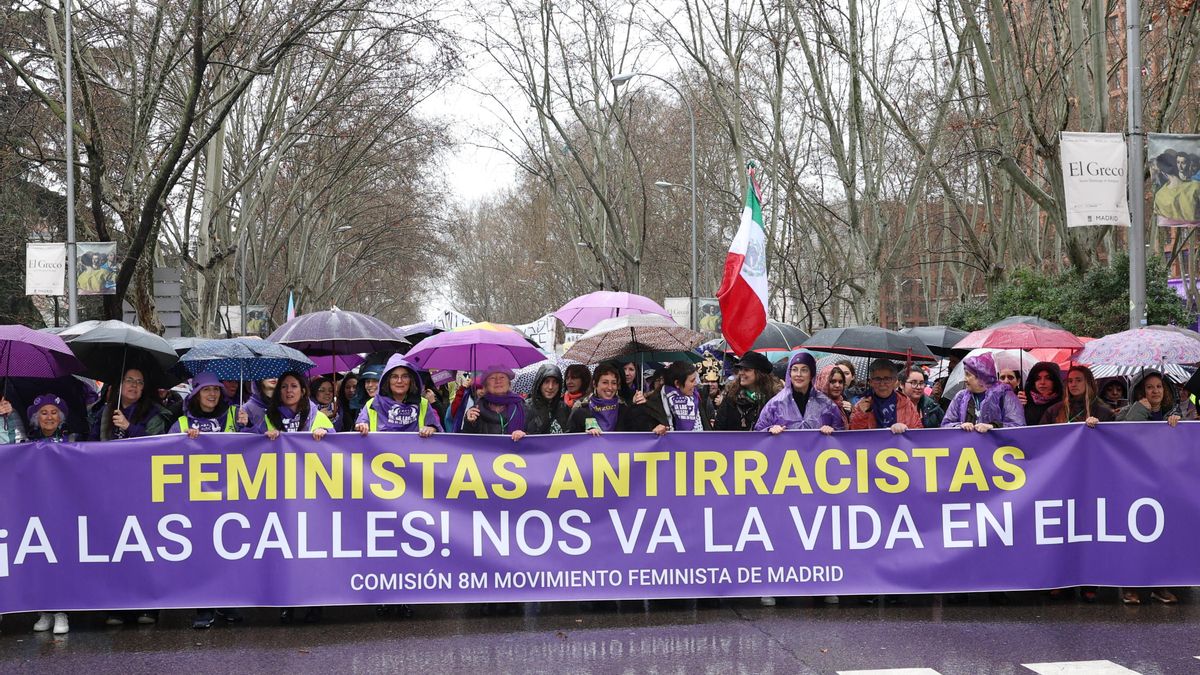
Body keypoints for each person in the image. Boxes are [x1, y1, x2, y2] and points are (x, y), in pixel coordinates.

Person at [1116, 371, 1191, 605]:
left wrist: (1178, 425)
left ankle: (1159, 586)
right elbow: (1123, 433)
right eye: (1149, 387)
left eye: (1159, 386)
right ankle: (1130, 587)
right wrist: (1140, 408)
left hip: (1165, 485)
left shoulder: (1175, 414)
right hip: (1134, 482)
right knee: (1135, 536)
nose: (1155, 391)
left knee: (1162, 536)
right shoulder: (1130, 411)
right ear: (1142, 391)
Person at [25, 394, 77, 635]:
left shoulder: (73, 441)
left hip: (63, 508)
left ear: (61, 417)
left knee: (61, 558)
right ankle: (44, 610)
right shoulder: (25, 443)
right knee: (39, 559)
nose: (49, 417)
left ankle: (61, 611)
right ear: (37, 418)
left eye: (54, 412)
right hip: (34, 508)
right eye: (44, 413)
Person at [755, 352, 845, 435]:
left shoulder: (827, 404)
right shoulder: (775, 403)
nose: (798, 374)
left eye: (804, 370)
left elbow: (842, 436)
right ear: (790, 374)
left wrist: (832, 431)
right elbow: (758, 433)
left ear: (811, 375)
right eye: (794, 370)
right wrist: (770, 430)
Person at [355, 355, 442, 436]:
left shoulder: (423, 404)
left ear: (411, 380)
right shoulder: (372, 404)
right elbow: (358, 431)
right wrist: (361, 426)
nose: (400, 381)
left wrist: (433, 429)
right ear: (387, 380)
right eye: (394, 377)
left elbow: (439, 434)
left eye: (405, 376)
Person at [941, 353, 1025, 431]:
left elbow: (1017, 426)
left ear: (981, 377)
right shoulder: (960, 397)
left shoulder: (1005, 395)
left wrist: (993, 426)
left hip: (997, 447)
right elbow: (946, 424)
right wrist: (959, 426)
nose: (965, 379)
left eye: (968, 374)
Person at [631, 361, 713, 434]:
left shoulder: (697, 397)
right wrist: (653, 430)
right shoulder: (654, 404)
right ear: (677, 383)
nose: (695, 384)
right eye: (692, 381)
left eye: (695, 380)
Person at [92, 367, 167, 441]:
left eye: (139, 382)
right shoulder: (106, 411)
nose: (134, 385)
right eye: (129, 380)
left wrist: (128, 427)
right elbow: (93, 441)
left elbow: (157, 444)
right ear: (119, 386)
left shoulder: (153, 414)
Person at [849, 359, 922, 433]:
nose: (882, 383)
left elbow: (917, 431)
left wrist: (905, 428)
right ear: (871, 382)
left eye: (887, 379)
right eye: (877, 379)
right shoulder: (861, 405)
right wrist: (862, 414)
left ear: (894, 381)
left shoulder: (906, 403)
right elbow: (854, 434)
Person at [714, 351, 780, 431]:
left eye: (747, 369)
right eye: (741, 369)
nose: (741, 373)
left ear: (760, 374)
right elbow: (718, 429)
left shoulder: (773, 399)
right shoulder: (731, 397)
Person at [462, 366, 526, 440]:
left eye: (502, 377)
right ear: (486, 385)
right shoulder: (476, 409)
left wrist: (525, 435)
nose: (498, 381)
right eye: (492, 378)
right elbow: (466, 442)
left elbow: (535, 437)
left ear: (509, 383)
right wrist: (469, 423)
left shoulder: (523, 407)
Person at [567, 363, 632, 434]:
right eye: (605, 382)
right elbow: (570, 440)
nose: (610, 387)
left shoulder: (624, 409)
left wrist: (640, 407)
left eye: (613, 383)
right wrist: (586, 436)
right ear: (595, 384)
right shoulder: (581, 410)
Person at [1041, 365, 1114, 427]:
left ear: (1088, 383)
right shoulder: (1054, 411)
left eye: (1078, 380)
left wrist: (1100, 426)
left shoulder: (1103, 412)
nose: (1073, 384)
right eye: (1070, 381)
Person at [525, 364, 570, 435]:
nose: (550, 387)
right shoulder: (525, 407)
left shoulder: (564, 408)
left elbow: (572, 434)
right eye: (546, 381)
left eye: (555, 382)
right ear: (539, 383)